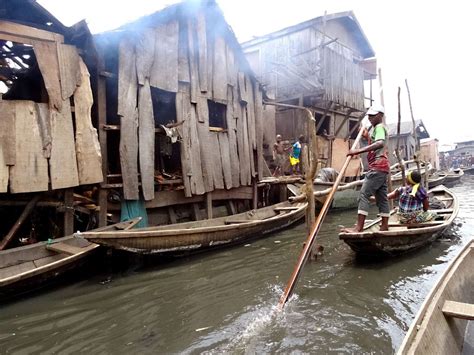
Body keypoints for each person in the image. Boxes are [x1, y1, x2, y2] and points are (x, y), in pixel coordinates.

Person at [341, 104, 390, 232]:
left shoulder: (379, 127)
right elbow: (376, 142)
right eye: (369, 116)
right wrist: (367, 137)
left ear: (380, 116)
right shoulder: (377, 129)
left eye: (373, 116)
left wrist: (357, 151)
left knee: (363, 195)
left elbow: (379, 143)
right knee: (382, 198)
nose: (370, 118)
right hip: (383, 167)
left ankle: (358, 228)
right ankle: (384, 226)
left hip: (377, 166)